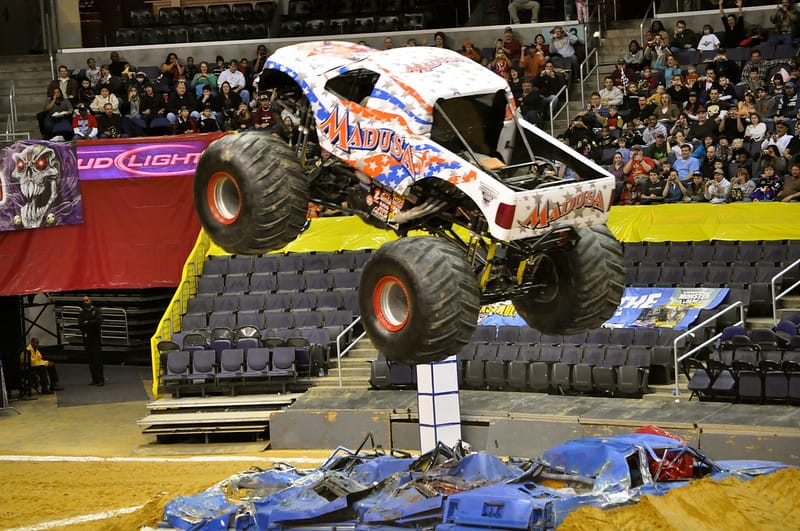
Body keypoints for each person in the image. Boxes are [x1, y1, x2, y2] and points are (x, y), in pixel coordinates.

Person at [78, 295, 104, 386]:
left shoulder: (96, 311)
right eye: (84, 301)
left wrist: (88, 322)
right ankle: (94, 379)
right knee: (90, 360)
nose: (86, 302)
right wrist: (90, 323)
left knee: (97, 359)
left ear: (90, 300)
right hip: (87, 338)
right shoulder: (82, 313)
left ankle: (100, 379)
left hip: (96, 338)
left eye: (87, 300)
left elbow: (99, 321)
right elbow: (80, 324)